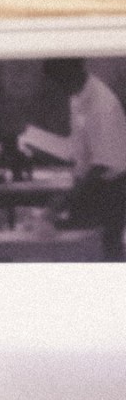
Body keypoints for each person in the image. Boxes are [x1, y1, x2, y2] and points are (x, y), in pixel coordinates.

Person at [42, 59, 126, 260]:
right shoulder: (77, 96)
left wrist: (68, 198)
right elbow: (82, 149)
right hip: (93, 184)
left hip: (113, 189)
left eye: (58, 82)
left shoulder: (102, 105)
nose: (57, 89)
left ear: (71, 73)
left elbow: (104, 164)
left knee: (106, 251)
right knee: (79, 249)